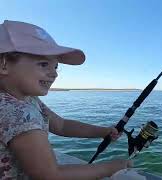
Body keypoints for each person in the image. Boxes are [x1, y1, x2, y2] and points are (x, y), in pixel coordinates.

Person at [0, 20, 132, 179]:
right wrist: (110, 168)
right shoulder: (18, 114)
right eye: (43, 64)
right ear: (4, 64)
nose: (54, 74)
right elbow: (50, 176)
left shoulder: (28, 100)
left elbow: (61, 125)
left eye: (55, 67)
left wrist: (102, 131)